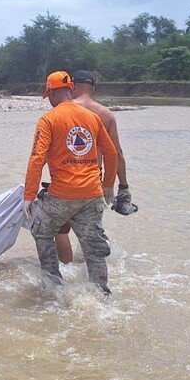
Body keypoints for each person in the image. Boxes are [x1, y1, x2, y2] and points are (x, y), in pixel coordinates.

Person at [23, 71, 118, 294]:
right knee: (93, 247)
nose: (49, 100)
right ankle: (100, 291)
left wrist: (28, 196)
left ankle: (54, 286)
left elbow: (37, 158)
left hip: (61, 195)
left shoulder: (49, 119)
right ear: (70, 89)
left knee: (42, 231)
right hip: (92, 194)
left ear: (53, 92)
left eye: (48, 95)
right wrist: (108, 186)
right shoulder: (92, 117)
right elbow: (111, 153)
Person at [54, 70, 134, 263]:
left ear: (71, 86)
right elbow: (116, 154)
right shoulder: (105, 114)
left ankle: (67, 269)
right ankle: (96, 273)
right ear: (93, 89)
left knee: (60, 229)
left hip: (65, 177)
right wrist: (122, 187)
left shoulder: (62, 111)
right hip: (93, 179)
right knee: (90, 229)